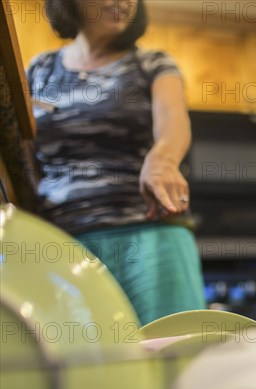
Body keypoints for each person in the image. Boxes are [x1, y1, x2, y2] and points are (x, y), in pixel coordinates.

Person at [27, 0, 205, 325]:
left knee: (173, 361)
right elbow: (23, 155)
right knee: (82, 370)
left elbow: (172, 122)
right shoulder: (40, 69)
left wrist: (163, 160)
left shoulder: (152, 63)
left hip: (151, 236)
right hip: (63, 244)